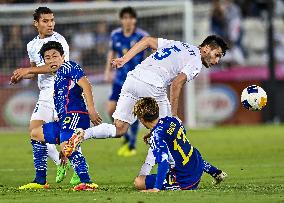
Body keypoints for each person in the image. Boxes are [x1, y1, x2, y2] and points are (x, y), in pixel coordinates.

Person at [64, 35, 228, 184]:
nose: (216, 61)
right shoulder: (196, 61)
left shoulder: (177, 44)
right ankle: (147, 175)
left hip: (133, 78)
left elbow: (148, 40)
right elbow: (177, 83)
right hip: (153, 85)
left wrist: (124, 59)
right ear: (206, 48)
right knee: (167, 133)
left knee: (120, 128)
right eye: (217, 54)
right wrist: (174, 116)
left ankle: (84, 134)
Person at [10, 7, 80, 185]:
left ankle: (78, 170)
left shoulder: (59, 41)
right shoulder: (31, 45)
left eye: (52, 20)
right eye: (45, 21)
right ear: (36, 23)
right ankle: (45, 175)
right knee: (34, 132)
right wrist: (21, 76)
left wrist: (28, 69)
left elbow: (55, 66)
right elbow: (35, 73)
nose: (50, 24)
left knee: (66, 135)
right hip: (44, 94)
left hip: (62, 90)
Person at [19, 41, 101, 190]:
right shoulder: (57, 78)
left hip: (76, 114)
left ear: (63, 56)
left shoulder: (69, 66)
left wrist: (91, 109)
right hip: (64, 118)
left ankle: (87, 182)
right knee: (36, 134)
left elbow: (86, 85)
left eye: (55, 56)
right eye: (48, 58)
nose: (52, 60)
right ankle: (40, 181)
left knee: (66, 145)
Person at [133, 97, 220, 191]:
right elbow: (180, 133)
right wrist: (151, 133)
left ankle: (175, 183)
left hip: (185, 180)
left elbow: (163, 162)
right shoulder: (171, 120)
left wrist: (156, 188)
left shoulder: (156, 136)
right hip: (196, 165)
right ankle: (216, 172)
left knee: (139, 182)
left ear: (141, 119)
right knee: (185, 150)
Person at [104, 6, 149, 157]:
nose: (128, 21)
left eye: (130, 18)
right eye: (125, 18)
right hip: (119, 80)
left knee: (135, 111)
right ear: (121, 20)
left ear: (135, 20)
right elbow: (111, 52)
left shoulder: (142, 36)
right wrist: (107, 71)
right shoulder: (115, 35)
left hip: (137, 80)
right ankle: (126, 135)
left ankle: (131, 144)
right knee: (110, 109)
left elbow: (152, 52)